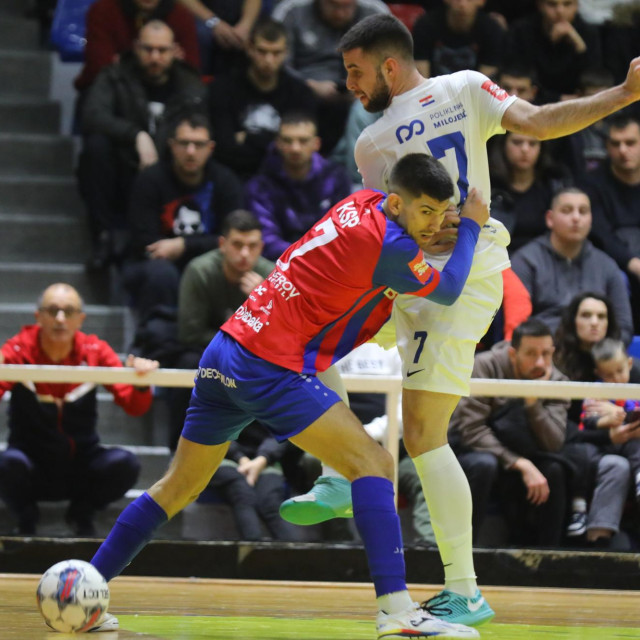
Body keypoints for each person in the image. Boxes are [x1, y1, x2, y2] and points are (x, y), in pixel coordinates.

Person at [282, 12, 640, 627]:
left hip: (466, 275)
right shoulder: (380, 138)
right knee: (311, 339)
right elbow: (393, 221)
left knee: (423, 432)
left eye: (356, 72)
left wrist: (625, 95)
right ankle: (340, 473)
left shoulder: (461, 89)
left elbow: (540, 123)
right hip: (411, 276)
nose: (349, 85)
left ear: (389, 66)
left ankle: (465, 589)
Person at [83, 153, 488, 637]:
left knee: (178, 487)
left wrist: (434, 225)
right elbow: (447, 290)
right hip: (268, 364)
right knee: (376, 464)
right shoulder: (393, 247)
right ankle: (398, 612)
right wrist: (470, 229)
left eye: (443, 215)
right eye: (425, 213)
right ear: (397, 203)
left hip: (227, 347)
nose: (434, 224)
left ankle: (88, 586)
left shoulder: (359, 202)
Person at [0, 284, 158, 537]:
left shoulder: (96, 351)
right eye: (52, 311)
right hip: (30, 465)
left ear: (80, 319)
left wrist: (141, 382)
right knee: (6, 463)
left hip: (81, 467)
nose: (60, 319)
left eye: (68, 311)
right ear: (38, 316)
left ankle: (81, 514)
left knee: (124, 464)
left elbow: (134, 406)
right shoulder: (18, 349)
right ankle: (26, 518)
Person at [78, 20, 206, 270]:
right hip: (124, 165)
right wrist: (136, 135)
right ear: (136, 47)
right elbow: (92, 115)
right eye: (148, 49)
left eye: (162, 50)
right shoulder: (115, 75)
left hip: (170, 169)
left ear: (175, 51)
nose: (155, 57)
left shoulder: (190, 84)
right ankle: (103, 237)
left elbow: (200, 129)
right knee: (96, 148)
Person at [448, 320, 572, 547]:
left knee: (555, 469)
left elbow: (553, 443)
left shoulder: (557, 380)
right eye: (531, 354)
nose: (540, 362)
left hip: (523, 452)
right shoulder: (483, 366)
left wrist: (533, 401)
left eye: (546, 354)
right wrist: (519, 463)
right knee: (484, 465)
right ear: (513, 354)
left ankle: (546, 560)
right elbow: (471, 430)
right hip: (473, 449)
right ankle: (462, 553)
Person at [122, 112, 244, 331]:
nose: (190, 152)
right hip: (155, 265)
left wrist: (184, 245)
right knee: (160, 273)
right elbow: (143, 240)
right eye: (184, 143)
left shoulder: (225, 182)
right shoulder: (150, 180)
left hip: (211, 263)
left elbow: (236, 238)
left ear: (210, 148)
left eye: (198, 145)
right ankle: (157, 341)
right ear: (172, 145)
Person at [169, 209, 274, 450]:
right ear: (222, 244)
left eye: (252, 246)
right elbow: (190, 334)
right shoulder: (200, 271)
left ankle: (260, 452)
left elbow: (285, 335)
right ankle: (181, 445)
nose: (245, 254)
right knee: (187, 361)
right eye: (237, 245)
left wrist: (262, 302)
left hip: (256, 353)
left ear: (261, 247)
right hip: (208, 353)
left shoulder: (271, 276)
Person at [510, 187, 634, 340]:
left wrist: (603, 356)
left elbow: (624, 327)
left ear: (591, 220)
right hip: (544, 355)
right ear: (550, 219)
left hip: (595, 354)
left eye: (583, 211)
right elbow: (518, 326)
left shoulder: (607, 266)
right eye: (567, 211)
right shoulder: (526, 261)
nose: (576, 218)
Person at [271, 0, 390, 153]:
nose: (340, 13)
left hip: (359, 94)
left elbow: (390, 64)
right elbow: (278, 65)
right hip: (303, 91)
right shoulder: (292, 11)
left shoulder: (376, 13)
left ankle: (358, 174)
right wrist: (308, 86)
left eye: (347, 7)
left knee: (369, 107)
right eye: (334, 6)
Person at [208, 18, 318, 180]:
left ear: (286, 53)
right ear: (249, 48)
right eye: (262, 51)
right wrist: (275, 141)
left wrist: (248, 138)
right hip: (234, 177)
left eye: (276, 53)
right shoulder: (222, 89)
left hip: (284, 179)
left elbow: (303, 149)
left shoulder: (300, 93)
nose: (268, 60)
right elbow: (223, 150)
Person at [245, 112, 352, 260]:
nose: (295, 148)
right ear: (278, 143)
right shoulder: (260, 185)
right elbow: (266, 239)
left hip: (329, 261)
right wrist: (305, 256)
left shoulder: (336, 178)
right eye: (287, 141)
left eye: (303, 141)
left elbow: (345, 230)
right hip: (279, 265)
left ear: (316, 144)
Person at [579, 337, 640, 546]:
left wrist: (620, 412)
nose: (615, 379)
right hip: (604, 446)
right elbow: (587, 422)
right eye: (608, 375)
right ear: (599, 374)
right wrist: (607, 421)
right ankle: (597, 543)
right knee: (620, 462)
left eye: (619, 371)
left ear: (629, 364)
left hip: (633, 440)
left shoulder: (635, 386)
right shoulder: (596, 392)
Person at [582, 114, 640, 332]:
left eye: (631, 143)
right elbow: (601, 234)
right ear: (606, 146)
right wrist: (633, 262)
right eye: (616, 144)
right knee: (619, 278)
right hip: (614, 261)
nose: (623, 150)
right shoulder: (593, 183)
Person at [74, 0, 200, 93]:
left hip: (166, 95)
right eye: (147, 50)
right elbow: (99, 67)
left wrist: (123, 62)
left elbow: (190, 69)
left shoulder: (181, 15)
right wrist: (165, 61)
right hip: (111, 92)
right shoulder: (102, 10)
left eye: (161, 50)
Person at [489, 131, 573, 252]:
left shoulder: (554, 185)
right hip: (501, 262)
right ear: (503, 145)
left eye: (532, 143)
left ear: (541, 148)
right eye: (517, 142)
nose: (525, 149)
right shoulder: (490, 186)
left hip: (547, 261)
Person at [505, 0, 603, 102]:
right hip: (534, 102)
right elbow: (519, 75)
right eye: (552, 4)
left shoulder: (588, 33)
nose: (560, 11)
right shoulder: (521, 31)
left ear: (577, 6)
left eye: (567, 4)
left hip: (577, 103)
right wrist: (558, 98)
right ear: (540, 5)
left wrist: (580, 47)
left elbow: (596, 80)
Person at [412, 0, 506, 79]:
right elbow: (422, 80)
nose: (462, 4)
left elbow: (486, 82)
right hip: (433, 94)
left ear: (481, 1)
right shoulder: (425, 26)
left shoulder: (492, 30)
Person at [176, 0, 261, 75]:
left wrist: (246, 25)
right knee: (202, 34)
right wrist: (214, 22)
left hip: (239, 18)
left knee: (260, 36)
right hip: (203, 17)